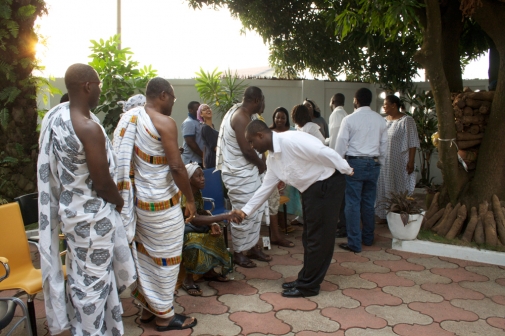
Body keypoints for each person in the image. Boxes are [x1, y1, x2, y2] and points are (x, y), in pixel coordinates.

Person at [38, 63, 136, 335]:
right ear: (87, 86)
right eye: (99, 85)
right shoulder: (88, 128)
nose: (100, 91)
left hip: (71, 213)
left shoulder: (57, 119)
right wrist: (119, 202)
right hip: (94, 222)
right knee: (93, 288)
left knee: (82, 280)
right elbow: (102, 183)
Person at [113, 78, 198, 331]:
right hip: (162, 205)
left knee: (146, 257)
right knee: (167, 259)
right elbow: (175, 166)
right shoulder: (164, 122)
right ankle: (165, 316)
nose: (173, 101)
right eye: (172, 97)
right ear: (163, 95)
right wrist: (191, 199)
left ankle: (148, 311)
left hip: (138, 204)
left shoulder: (130, 118)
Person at [237, 120, 353, 298]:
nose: (252, 147)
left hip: (326, 184)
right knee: (310, 238)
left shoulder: (289, 141)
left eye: (252, 142)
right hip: (311, 189)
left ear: (261, 135)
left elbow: (322, 151)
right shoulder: (273, 158)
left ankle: (309, 286)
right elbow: (265, 188)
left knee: (318, 239)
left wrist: (346, 168)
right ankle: (305, 279)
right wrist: (245, 211)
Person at [215, 86, 272, 268]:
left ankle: (252, 247)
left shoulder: (251, 117)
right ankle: (239, 252)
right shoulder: (240, 117)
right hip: (239, 174)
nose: (264, 103)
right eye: (263, 100)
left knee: (255, 209)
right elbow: (247, 150)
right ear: (256, 100)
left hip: (250, 172)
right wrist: (262, 165)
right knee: (243, 212)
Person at [335, 88, 388, 253]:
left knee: (352, 203)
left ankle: (354, 243)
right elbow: (384, 144)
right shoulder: (380, 120)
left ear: (356, 100)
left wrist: (339, 165)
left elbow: (341, 144)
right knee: (368, 203)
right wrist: (380, 163)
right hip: (373, 164)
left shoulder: (349, 119)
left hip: (355, 165)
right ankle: (368, 238)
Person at [180, 163, 241, 296]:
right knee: (193, 241)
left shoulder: (196, 192)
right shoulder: (185, 194)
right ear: (189, 179)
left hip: (194, 225)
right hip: (181, 229)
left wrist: (212, 223)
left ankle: (209, 271)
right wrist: (223, 216)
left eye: (203, 175)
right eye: (198, 176)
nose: (203, 178)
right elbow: (193, 219)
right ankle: (188, 280)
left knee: (215, 233)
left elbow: (201, 211)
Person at [375, 95, 420, 222]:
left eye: (385, 104)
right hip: (384, 162)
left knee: (399, 187)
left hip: (400, 162)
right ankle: (385, 215)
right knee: (384, 187)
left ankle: (399, 214)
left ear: (394, 105)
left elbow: (413, 142)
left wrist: (411, 161)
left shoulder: (406, 120)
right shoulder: (383, 121)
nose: (384, 107)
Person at [328, 93, 349, 238]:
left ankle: (342, 226)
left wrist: (333, 162)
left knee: (339, 197)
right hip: (345, 160)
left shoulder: (336, 115)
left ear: (333, 101)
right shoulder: (345, 114)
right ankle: (342, 224)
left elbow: (336, 139)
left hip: (338, 161)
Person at [181, 101, 204, 166]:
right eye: (197, 109)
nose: (200, 111)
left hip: (199, 159)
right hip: (192, 160)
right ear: (190, 110)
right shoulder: (189, 122)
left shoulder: (199, 121)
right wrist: (203, 155)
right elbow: (190, 142)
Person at [198, 104, 219, 169]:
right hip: (212, 160)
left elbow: (205, 146)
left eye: (209, 108)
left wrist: (203, 160)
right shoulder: (205, 128)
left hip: (213, 158)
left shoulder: (211, 126)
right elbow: (214, 147)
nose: (208, 110)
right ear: (201, 114)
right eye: (204, 109)